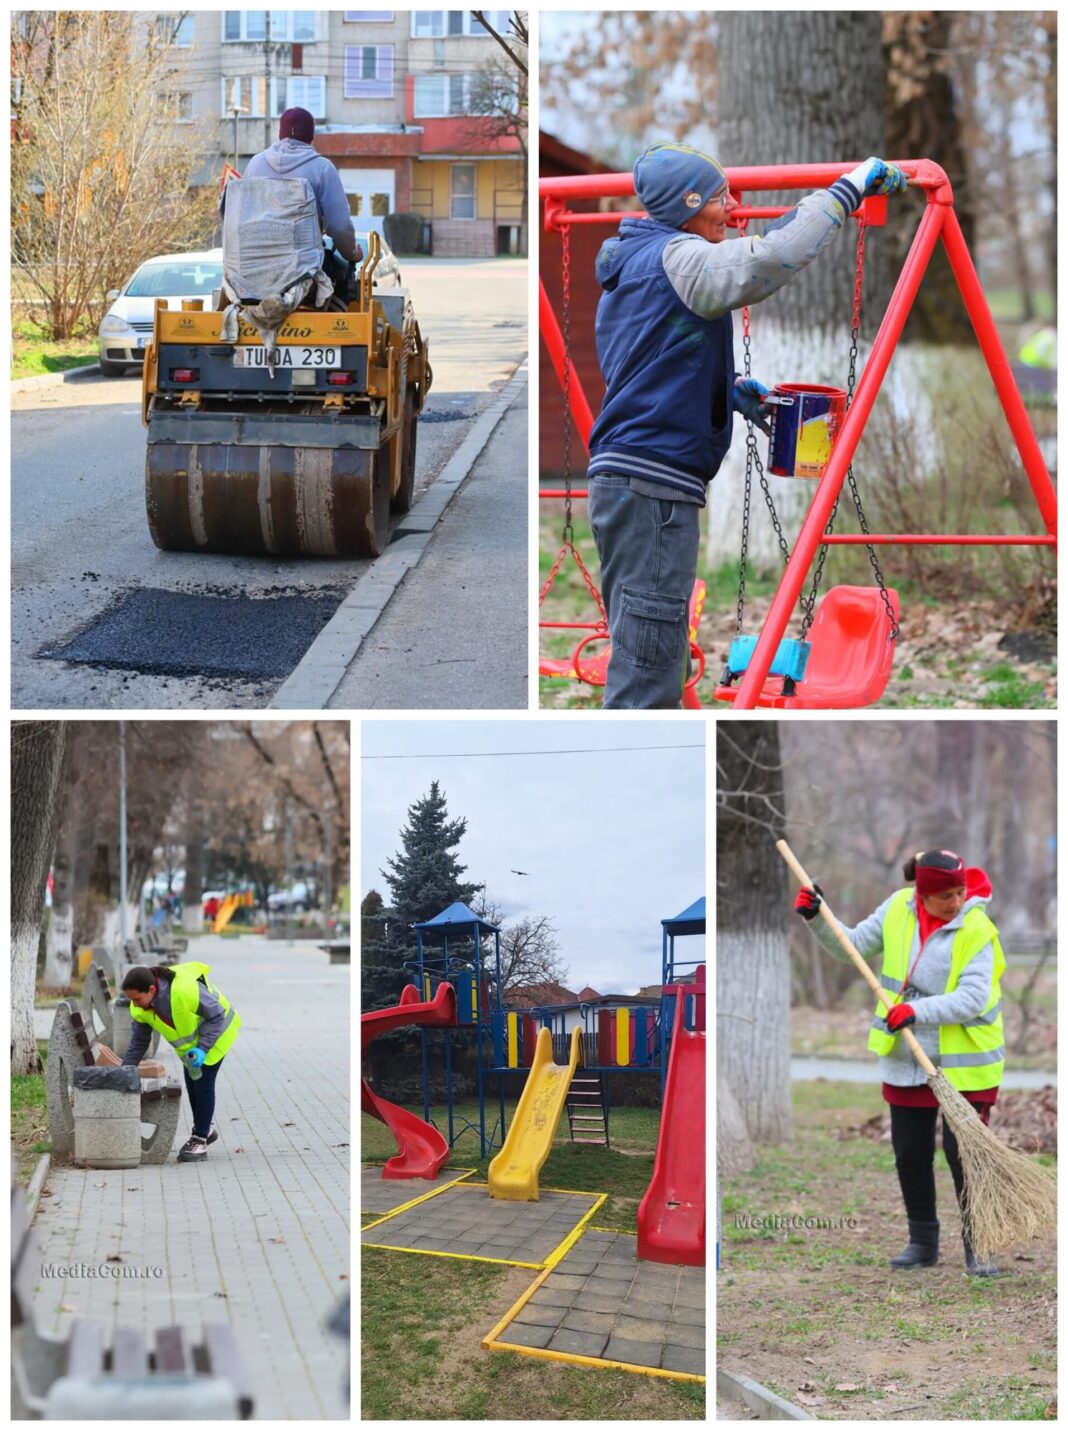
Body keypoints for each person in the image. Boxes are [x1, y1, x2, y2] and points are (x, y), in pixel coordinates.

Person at [586, 144, 909, 708]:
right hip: (650, 489)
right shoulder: (680, 258)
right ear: (684, 205)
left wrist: (728, 391)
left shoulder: (633, 265)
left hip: (631, 483)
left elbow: (644, 364)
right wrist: (846, 191)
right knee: (646, 675)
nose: (733, 208)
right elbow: (766, 260)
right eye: (718, 198)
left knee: (649, 651)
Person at [794, 848, 1005, 1276]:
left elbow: (973, 997)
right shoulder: (896, 909)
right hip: (906, 1058)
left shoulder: (977, 927)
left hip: (965, 1064)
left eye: (960, 892)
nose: (956, 902)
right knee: (909, 1152)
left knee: (964, 1154)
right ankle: (922, 1242)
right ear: (920, 894)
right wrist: (818, 918)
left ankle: (979, 1245)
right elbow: (849, 947)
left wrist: (916, 1011)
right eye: (946, 895)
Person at [223, 106, 362, 293]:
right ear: (311, 137)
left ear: (280, 134)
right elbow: (340, 226)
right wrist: (352, 253)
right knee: (345, 281)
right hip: (302, 277)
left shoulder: (255, 164)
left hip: (252, 275)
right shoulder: (322, 169)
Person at [121, 962, 242, 1164]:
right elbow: (139, 1042)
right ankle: (205, 1130)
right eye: (130, 999)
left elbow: (217, 1015)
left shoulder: (183, 990)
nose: (134, 1003)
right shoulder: (140, 1007)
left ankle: (200, 1138)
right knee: (192, 1083)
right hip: (192, 1047)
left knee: (203, 1084)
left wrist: (203, 1048)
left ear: (151, 989)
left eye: (137, 998)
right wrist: (125, 1070)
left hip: (217, 1034)